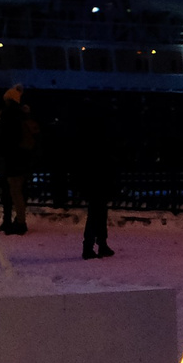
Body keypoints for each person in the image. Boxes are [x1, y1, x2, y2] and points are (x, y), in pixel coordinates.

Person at [68, 103, 116, 259]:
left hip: (92, 178)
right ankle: (94, 245)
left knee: (97, 211)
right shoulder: (102, 137)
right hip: (99, 177)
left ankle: (95, 245)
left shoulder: (84, 135)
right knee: (98, 212)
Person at [0, 85, 39, 235]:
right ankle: (18, 221)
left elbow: (5, 139)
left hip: (11, 159)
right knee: (18, 191)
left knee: (12, 191)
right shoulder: (22, 115)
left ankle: (18, 223)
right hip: (23, 158)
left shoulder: (7, 116)